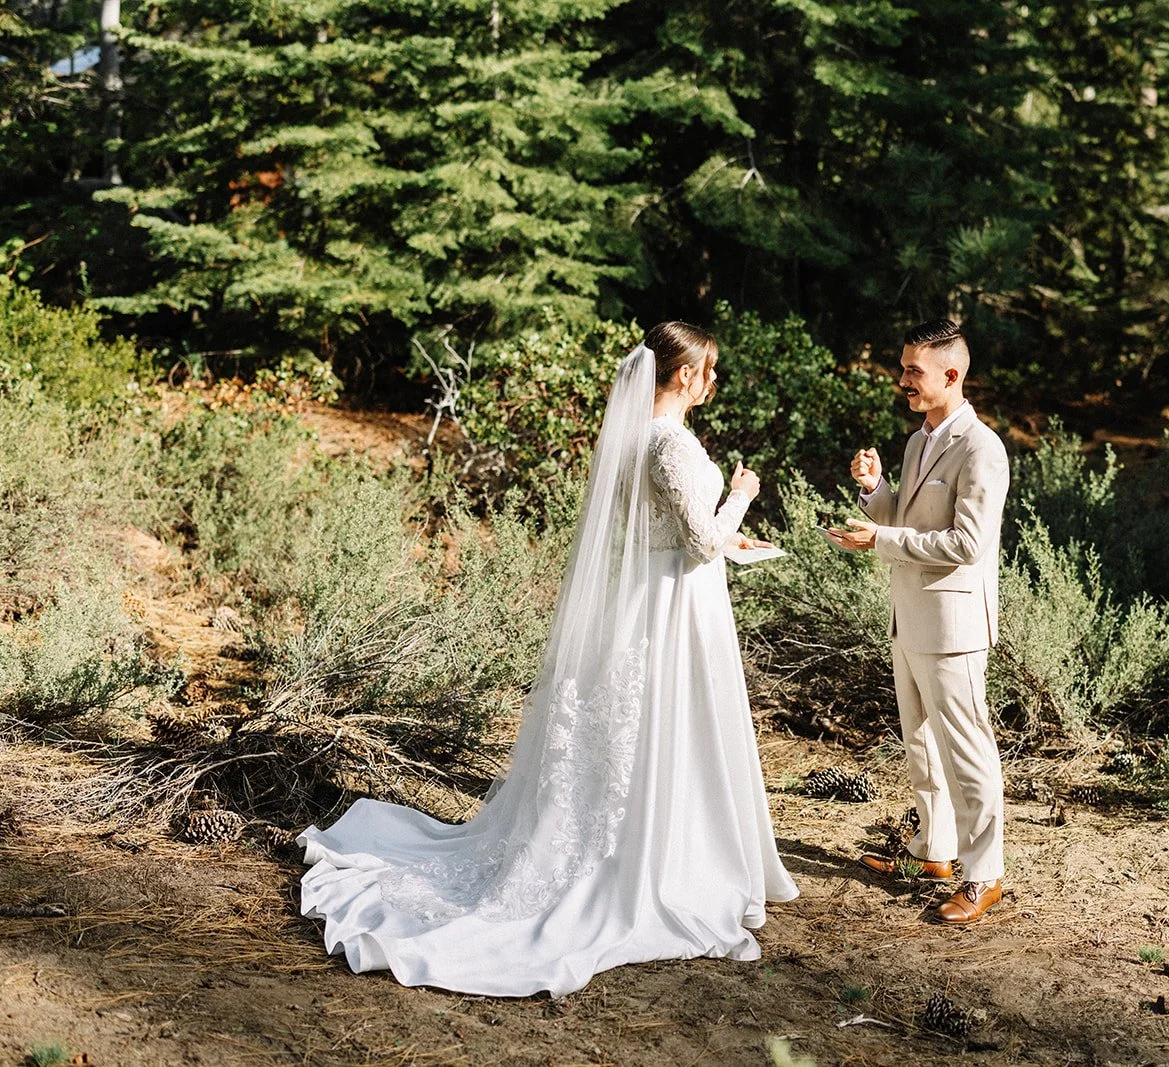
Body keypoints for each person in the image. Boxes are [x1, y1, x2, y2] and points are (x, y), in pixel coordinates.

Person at [297, 322, 799, 997]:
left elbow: (671, 533)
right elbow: (702, 540)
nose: (712, 381)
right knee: (664, 726)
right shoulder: (670, 443)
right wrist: (742, 493)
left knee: (645, 730)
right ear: (684, 375)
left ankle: (661, 838)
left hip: (655, 594)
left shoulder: (633, 437)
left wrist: (725, 537)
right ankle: (666, 857)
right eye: (708, 370)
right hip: (673, 603)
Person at [825, 319, 1010, 925]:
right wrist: (874, 492)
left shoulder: (982, 449)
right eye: (904, 367)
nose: (903, 379)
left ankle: (983, 874)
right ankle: (934, 850)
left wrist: (882, 537)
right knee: (921, 743)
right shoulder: (916, 440)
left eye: (914, 370)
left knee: (967, 747)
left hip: (954, 624)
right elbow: (907, 519)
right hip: (910, 617)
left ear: (951, 376)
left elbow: (965, 542)